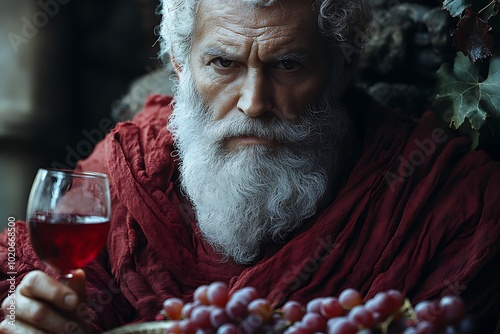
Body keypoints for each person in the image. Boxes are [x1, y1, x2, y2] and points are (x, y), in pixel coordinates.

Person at [1, 0, 499, 333]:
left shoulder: (439, 200)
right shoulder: (124, 168)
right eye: (223, 64)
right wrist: (38, 315)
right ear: (180, 64)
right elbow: (40, 289)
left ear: (341, 67)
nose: (254, 103)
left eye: (288, 65)